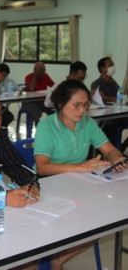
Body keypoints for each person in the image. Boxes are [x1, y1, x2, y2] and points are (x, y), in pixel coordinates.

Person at [34, 79, 127, 269]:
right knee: (81, 220)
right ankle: (53, 255)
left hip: (79, 183)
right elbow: (42, 167)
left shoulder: (87, 123)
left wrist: (116, 158)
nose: (82, 110)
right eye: (76, 105)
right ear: (61, 104)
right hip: (49, 186)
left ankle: (58, 260)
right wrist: (81, 167)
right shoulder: (47, 126)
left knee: (105, 221)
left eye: (85, 105)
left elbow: (109, 149)